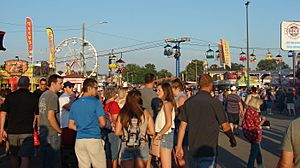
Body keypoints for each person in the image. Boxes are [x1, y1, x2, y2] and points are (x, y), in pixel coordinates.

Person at [176, 74, 237, 168]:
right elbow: (225, 126)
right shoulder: (215, 103)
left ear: (199, 85)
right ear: (211, 85)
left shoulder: (189, 102)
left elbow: (182, 126)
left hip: (194, 148)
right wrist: (232, 139)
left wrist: (179, 146)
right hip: (209, 148)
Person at [0, 76, 38, 168]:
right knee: (25, 157)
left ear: (18, 85)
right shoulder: (33, 97)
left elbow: (3, 113)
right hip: (27, 131)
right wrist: (36, 127)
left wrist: (1, 129)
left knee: (14, 156)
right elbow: (37, 115)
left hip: (12, 131)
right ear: (28, 85)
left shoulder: (10, 97)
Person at [68, 78, 106, 168]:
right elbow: (103, 123)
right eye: (96, 88)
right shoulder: (96, 102)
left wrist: (81, 128)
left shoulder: (75, 104)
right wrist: (96, 126)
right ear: (89, 88)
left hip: (80, 140)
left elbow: (70, 125)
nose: (97, 91)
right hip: (93, 138)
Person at [115, 89, 155, 168]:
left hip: (126, 145)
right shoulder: (146, 113)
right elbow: (152, 132)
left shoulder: (123, 112)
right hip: (141, 144)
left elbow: (117, 132)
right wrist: (142, 131)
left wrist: (127, 132)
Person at [38, 74, 63, 168]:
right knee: (54, 161)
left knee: (45, 160)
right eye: (60, 83)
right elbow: (50, 117)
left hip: (43, 130)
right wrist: (59, 130)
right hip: (51, 132)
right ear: (53, 83)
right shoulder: (53, 96)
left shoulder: (43, 95)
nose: (62, 86)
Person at [242, 86, 265, 168]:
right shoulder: (254, 112)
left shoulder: (249, 109)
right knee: (254, 151)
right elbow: (257, 124)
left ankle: (261, 165)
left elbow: (245, 104)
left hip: (248, 132)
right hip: (254, 133)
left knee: (257, 150)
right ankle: (251, 165)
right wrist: (263, 120)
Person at [59, 81, 77, 167]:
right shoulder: (63, 98)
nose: (72, 89)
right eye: (70, 87)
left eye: (72, 87)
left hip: (71, 124)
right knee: (67, 146)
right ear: (65, 88)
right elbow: (69, 107)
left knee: (71, 145)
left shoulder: (69, 97)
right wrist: (73, 97)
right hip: (65, 124)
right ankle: (66, 163)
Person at [103, 87, 121, 168]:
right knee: (114, 155)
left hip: (106, 130)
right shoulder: (114, 104)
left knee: (108, 153)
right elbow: (116, 118)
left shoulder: (105, 104)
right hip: (113, 131)